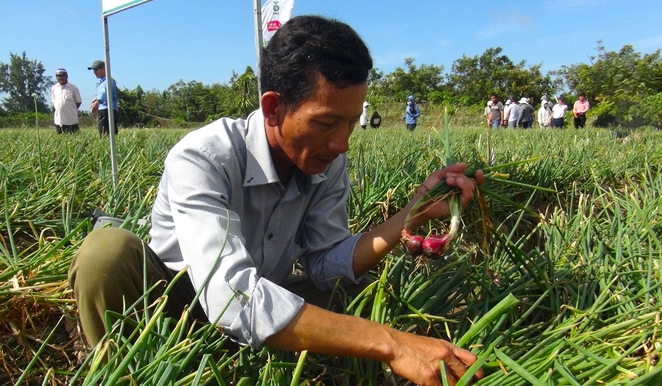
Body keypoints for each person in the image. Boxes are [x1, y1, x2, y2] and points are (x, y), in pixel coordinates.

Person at [68, 15, 484, 385]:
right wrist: (391, 344)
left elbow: (325, 263)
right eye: (326, 122)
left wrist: (411, 214)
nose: (341, 143)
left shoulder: (325, 159)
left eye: (351, 123)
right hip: (176, 309)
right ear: (273, 109)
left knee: (360, 290)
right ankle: (122, 370)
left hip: (264, 298)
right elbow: (231, 296)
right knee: (106, 253)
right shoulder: (203, 157)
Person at [88, 60, 118, 136]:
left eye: (96, 69)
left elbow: (104, 93)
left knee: (105, 134)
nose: (94, 72)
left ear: (103, 69)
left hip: (107, 111)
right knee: (107, 133)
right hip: (108, 110)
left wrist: (97, 102)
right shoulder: (105, 81)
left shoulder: (107, 82)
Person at [50, 68, 82, 134]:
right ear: (56, 77)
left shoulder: (73, 88)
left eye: (62, 75)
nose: (61, 77)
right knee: (60, 140)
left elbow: (78, 102)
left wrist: (71, 110)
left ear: (66, 76)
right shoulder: (54, 88)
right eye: (58, 76)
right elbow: (54, 102)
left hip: (71, 120)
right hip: (59, 121)